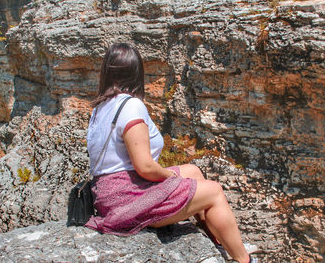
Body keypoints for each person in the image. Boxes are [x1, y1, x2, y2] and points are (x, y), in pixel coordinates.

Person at [84, 43, 255, 263]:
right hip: (127, 198)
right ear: (137, 72)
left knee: (193, 171)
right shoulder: (131, 105)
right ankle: (245, 260)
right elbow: (144, 166)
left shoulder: (99, 108)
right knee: (214, 192)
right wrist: (168, 176)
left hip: (108, 194)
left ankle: (219, 242)